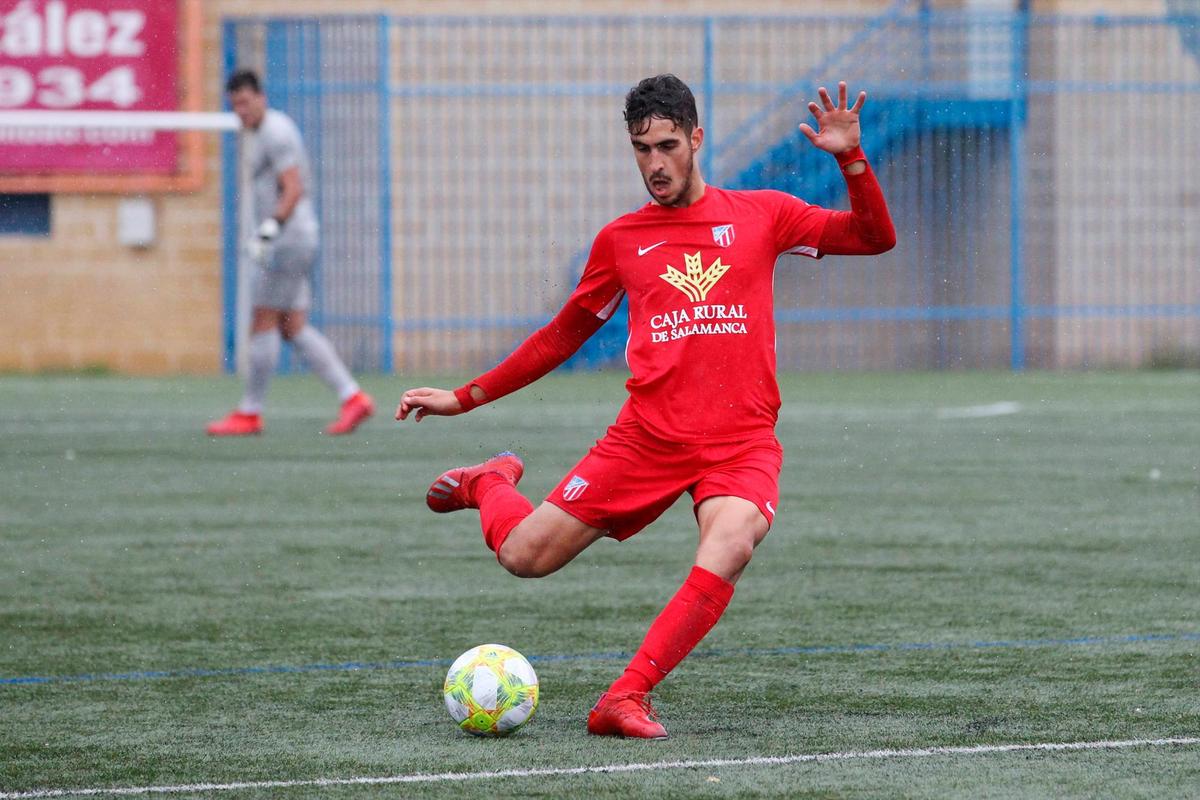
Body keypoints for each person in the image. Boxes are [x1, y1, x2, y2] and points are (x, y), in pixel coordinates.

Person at [397, 75, 895, 738]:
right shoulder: (622, 241)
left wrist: (850, 159)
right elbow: (563, 335)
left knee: (734, 540)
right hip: (647, 440)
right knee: (524, 557)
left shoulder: (763, 216)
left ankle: (624, 697)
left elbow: (873, 237)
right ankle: (490, 481)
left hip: (740, 443)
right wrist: (466, 396)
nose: (654, 164)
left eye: (665, 145)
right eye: (640, 149)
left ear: (695, 138)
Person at [207, 69, 374, 437]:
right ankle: (353, 397)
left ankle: (250, 412)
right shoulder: (260, 131)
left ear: (261, 97)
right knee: (292, 326)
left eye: (246, 103)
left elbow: (293, 187)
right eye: (235, 105)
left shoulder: (276, 133)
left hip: (287, 241)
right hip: (296, 239)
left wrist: (270, 228)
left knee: (263, 319)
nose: (241, 111)